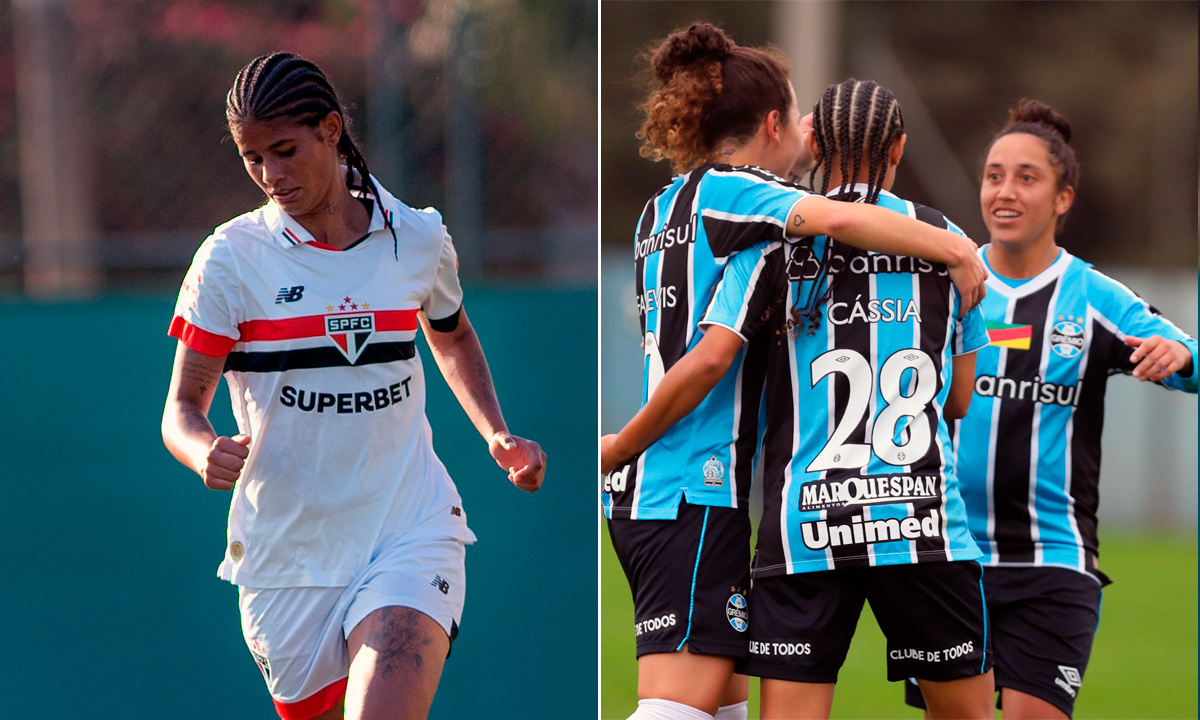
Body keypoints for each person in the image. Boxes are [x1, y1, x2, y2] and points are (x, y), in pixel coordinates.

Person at [601, 27, 988, 720]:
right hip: (696, 481)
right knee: (677, 708)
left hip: (720, 505)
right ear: (773, 122)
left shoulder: (658, 211)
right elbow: (833, 222)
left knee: (722, 705)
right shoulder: (749, 203)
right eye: (796, 116)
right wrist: (957, 250)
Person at [161, 52, 546, 720]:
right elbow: (181, 408)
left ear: (331, 129)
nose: (271, 175)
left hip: (408, 527)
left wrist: (496, 430)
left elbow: (449, 333)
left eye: (285, 151)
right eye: (253, 159)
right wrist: (202, 450)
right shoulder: (228, 260)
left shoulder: (416, 237)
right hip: (288, 555)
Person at [899, 99, 1198, 719]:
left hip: (1051, 563)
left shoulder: (1093, 298)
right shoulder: (942, 280)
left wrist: (1181, 355)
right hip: (948, 558)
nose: (1005, 192)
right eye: (994, 175)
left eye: (1027, 177)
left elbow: (1191, 359)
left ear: (1063, 199)